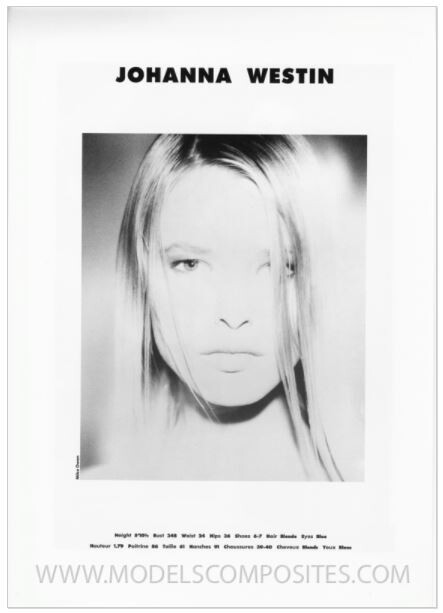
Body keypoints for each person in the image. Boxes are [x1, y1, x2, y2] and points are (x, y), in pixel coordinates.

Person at [88, 134, 363, 481]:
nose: (233, 315)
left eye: (281, 266)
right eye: (190, 264)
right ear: (139, 277)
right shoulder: (88, 495)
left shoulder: (377, 495)